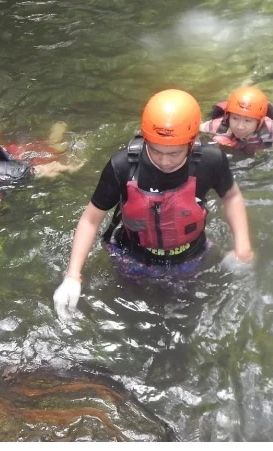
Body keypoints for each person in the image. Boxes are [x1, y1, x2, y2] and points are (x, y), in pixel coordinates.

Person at [53, 89, 254, 319]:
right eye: (156, 151)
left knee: (187, 320)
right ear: (145, 138)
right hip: (132, 258)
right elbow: (91, 219)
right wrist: (72, 276)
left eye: (175, 153)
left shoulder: (210, 161)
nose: (165, 161)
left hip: (191, 257)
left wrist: (243, 247)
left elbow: (232, 196)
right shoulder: (123, 167)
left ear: (193, 142)